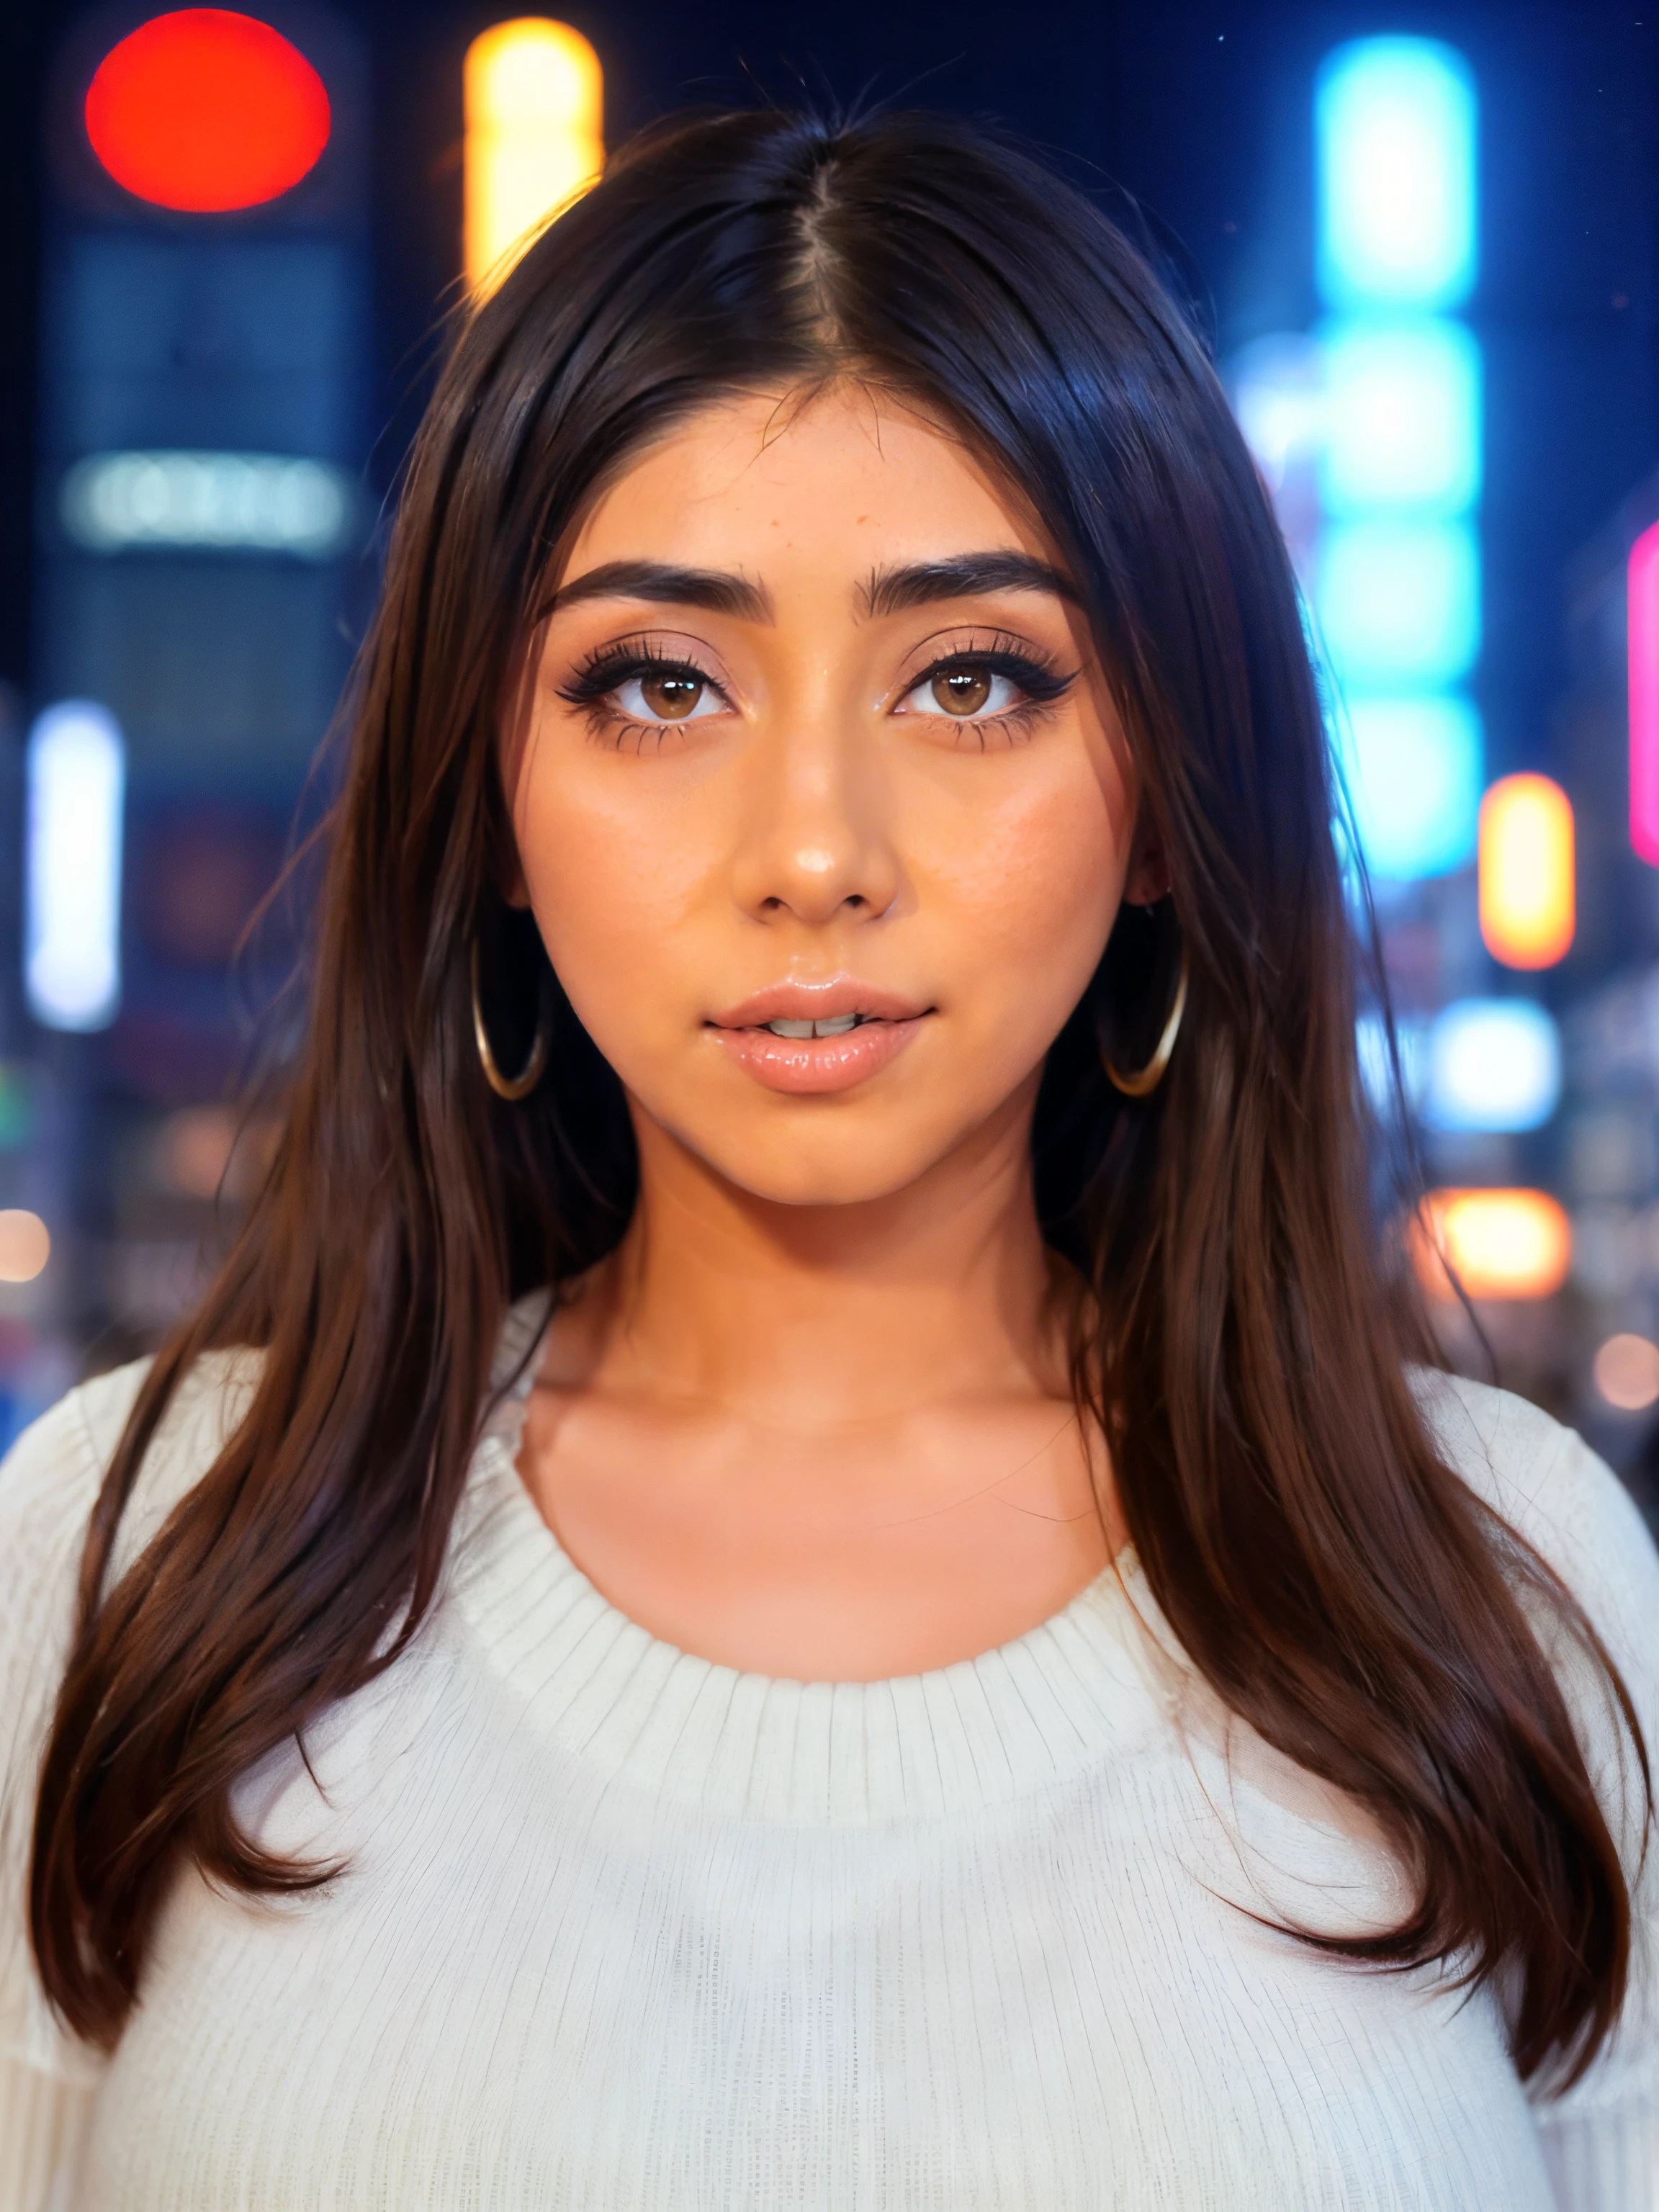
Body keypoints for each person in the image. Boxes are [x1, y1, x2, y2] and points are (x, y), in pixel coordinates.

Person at [1, 107, 1654, 2212]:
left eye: (972, 680)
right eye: (658, 685)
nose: (812, 856)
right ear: (488, 795)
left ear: (1163, 797)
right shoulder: (139, 1560)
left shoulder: (1496, 1582)